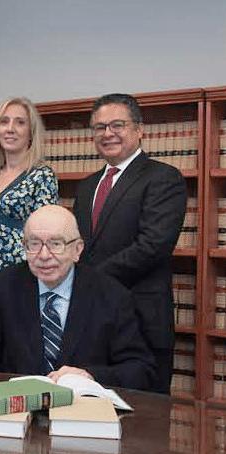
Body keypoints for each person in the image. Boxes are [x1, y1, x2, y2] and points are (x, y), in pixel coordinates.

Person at [0, 205, 156, 390]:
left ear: (77, 249)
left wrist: (91, 376)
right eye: (34, 244)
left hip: (84, 407)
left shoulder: (111, 294)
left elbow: (140, 369)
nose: (44, 255)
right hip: (17, 404)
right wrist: (5, 392)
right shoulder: (3, 287)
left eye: (56, 244)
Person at [73, 93, 187, 394]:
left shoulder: (164, 178)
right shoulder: (87, 187)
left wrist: (88, 279)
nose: (107, 133)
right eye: (100, 127)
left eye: (117, 125)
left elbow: (152, 246)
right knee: (92, 405)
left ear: (139, 129)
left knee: (146, 413)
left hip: (142, 318)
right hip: (92, 320)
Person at [0, 97, 58, 316]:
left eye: (20, 122)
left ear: (31, 132)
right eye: (4, 121)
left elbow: (45, 237)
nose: (10, 129)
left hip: (23, 287)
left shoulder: (42, 176)